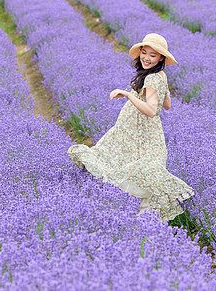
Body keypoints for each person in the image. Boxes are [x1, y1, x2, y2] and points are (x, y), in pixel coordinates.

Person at [68, 33, 194, 222]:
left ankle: (139, 217)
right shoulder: (161, 76)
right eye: (144, 53)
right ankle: (145, 218)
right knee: (140, 169)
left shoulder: (152, 79)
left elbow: (152, 111)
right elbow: (166, 105)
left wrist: (129, 95)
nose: (146, 58)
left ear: (161, 57)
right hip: (142, 132)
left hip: (140, 133)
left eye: (153, 55)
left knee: (121, 167)